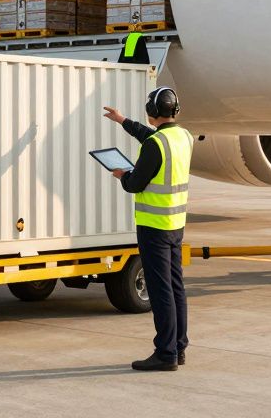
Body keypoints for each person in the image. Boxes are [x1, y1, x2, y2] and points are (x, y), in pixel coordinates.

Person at [103, 86, 193, 371]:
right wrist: (122, 120)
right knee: (176, 286)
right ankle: (178, 347)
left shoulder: (156, 145)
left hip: (154, 226)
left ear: (152, 112)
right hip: (175, 224)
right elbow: (152, 137)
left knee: (161, 290)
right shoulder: (183, 137)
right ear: (175, 111)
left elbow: (135, 184)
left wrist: (122, 175)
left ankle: (165, 354)